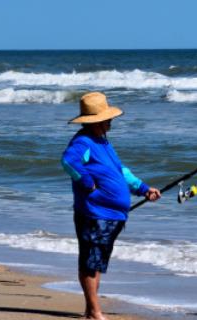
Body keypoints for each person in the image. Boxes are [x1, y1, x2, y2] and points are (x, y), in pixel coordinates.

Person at [61, 92, 161, 320]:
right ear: (94, 121)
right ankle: (95, 312)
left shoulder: (103, 142)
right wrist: (88, 183)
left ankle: (90, 310)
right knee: (90, 262)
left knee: (97, 262)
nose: (110, 122)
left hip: (111, 215)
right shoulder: (83, 141)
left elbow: (120, 171)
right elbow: (68, 161)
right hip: (94, 213)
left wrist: (143, 188)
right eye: (107, 119)